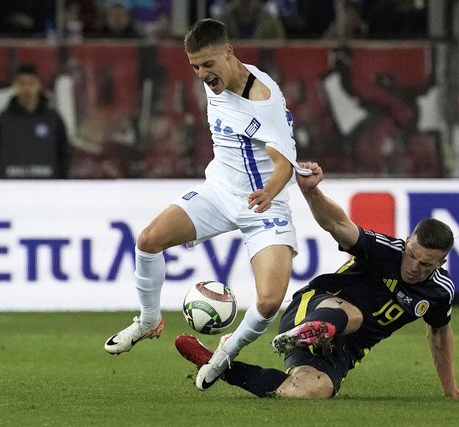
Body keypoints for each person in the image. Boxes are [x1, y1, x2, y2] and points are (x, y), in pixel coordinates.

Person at [104, 18, 312, 392]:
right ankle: (148, 320)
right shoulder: (214, 82)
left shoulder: (263, 101)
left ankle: (224, 353)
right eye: (195, 66)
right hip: (218, 192)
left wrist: (267, 192)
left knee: (268, 301)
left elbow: (285, 165)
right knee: (148, 240)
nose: (202, 74)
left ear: (229, 53)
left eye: (208, 64)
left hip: (262, 204)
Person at [175, 161, 459, 399]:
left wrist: (451, 390)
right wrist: (311, 190)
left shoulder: (439, 292)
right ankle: (310, 330)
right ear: (407, 242)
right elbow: (338, 224)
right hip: (315, 305)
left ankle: (217, 364)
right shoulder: (385, 251)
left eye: (425, 264)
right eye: (412, 255)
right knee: (352, 314)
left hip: (343, 351)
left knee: (309, 391)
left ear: (442, 262)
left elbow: (439, 335)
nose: (414, 267)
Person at [0, 63, 70, 179]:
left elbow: (64, 156)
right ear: (15, 86)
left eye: (31, 83)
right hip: (9, 189)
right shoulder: (3, 121)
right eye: (22, 83)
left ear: (39, 85)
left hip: (47, 188)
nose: (26, 88)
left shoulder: (53, 120)